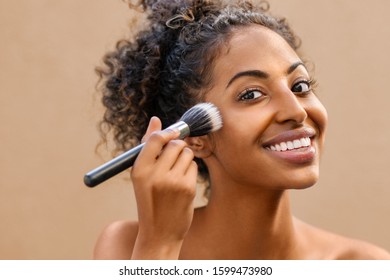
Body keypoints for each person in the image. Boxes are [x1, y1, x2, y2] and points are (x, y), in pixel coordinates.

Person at [92, 0, 390, 259]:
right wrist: (160, 245)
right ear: (196, 138)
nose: (296, 111)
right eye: (251, 94)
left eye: (299, 86)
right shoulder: (127, 248)